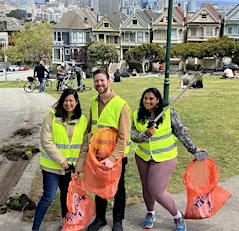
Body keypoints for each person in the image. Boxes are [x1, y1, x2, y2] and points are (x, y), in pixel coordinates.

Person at [131, 87, 205, 231]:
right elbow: (133, 136)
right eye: (145, 98)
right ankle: (150, 212)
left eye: (151, 98)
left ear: (158, 100)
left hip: (164, 157)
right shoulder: (136, 114)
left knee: (157, 190)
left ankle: (177, 216)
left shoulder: (168, 113)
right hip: (143, 156)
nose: (148, 101)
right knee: (146, 187)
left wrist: (193, 149)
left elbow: (180, 132)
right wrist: (145, 134)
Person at [76, 68, 131, 231]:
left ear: (109, 81)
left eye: (102, 80)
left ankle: (118, 220)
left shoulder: (121, 105)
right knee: (99, 187)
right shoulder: (94, 101)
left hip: (116, 157)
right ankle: (100, 218)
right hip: (98, 156)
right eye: (96, 81)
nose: (99, 84)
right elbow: (91, 126)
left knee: (118, 189)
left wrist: (113, 158)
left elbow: (124, 137)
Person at [32, 89, 87, 231]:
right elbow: (46, 142)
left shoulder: (82, 120)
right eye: (65, 100)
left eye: (71, 101)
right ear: (61, 101)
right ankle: (35, 228)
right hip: (51, 167)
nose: (68, 104)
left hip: (70, 168)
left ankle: (66, 225)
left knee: (66, 198)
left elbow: (84, 147)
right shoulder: (50, 117)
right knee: (48, 197)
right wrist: (62, 161)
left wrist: (78, 169)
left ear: (77, 102)